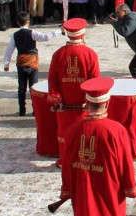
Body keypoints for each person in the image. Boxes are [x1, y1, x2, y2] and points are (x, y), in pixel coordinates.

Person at [59, 77, 136, 216]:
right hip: (110, 192)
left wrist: (67, 189)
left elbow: (66, 164)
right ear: (107, 103)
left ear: (87, 103)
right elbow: (125, 164)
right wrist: (130, 187)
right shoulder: (117, 130)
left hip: (82, 194)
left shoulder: (72, 130)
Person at [48, 18, 101, 167]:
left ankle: (65, 159)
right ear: (83, 34)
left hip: (64, 104)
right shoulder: (90, 54)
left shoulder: (58, 54)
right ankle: (83, 159)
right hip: (83, 104)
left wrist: (57, 99)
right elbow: (95, 81)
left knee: (65, 132)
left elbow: (52, 79)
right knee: (84, 133)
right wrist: (90, 100)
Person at [3, 12, 62, 116]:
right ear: (28, 22)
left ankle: (22, 110)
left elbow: (9, 50)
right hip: (33, 62)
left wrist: (6, 64)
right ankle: (35, 110)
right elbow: (46, 37)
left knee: (21, 88)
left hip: (21, 63)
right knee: (33, 88)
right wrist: (59, 31)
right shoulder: (32, 32)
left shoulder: (15, 35)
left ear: (17, 23)